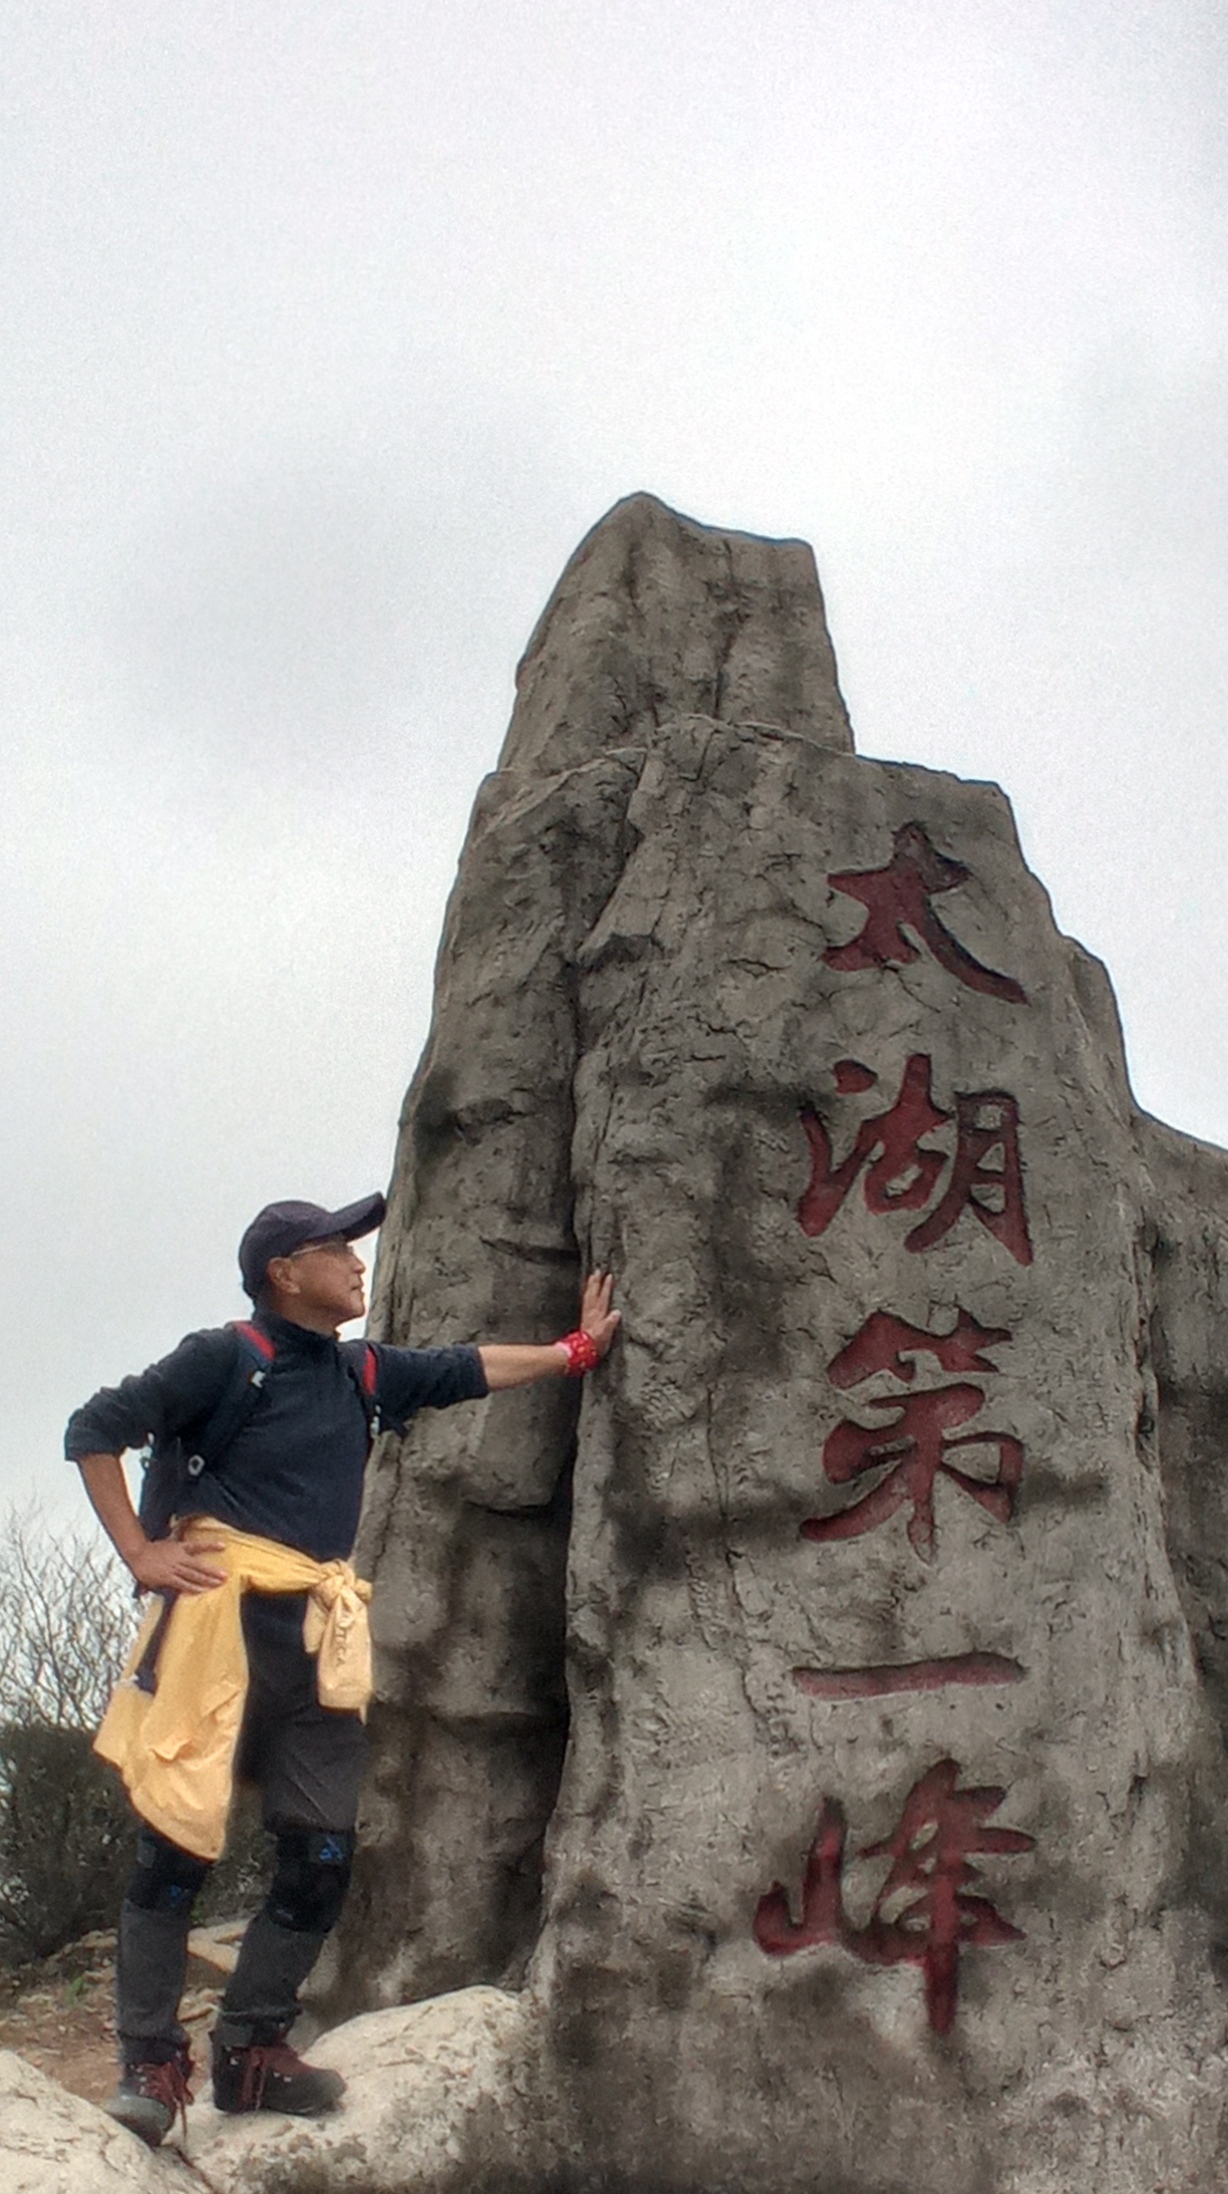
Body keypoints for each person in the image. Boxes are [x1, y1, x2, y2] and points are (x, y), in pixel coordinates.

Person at [65, 1192, 619, 2149]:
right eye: (337, 1250)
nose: (360, 1264)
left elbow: (465, 1368)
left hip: (316, 1639)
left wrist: (574, 1352)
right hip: (219, 1627)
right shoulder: (225, 1356)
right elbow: (93, 1428)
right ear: (284, 1273)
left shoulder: (358, 1370)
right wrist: (140, 1553)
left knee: (321, 1857)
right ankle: (148, 2063)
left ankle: (251, 2049)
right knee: (174, 1851)